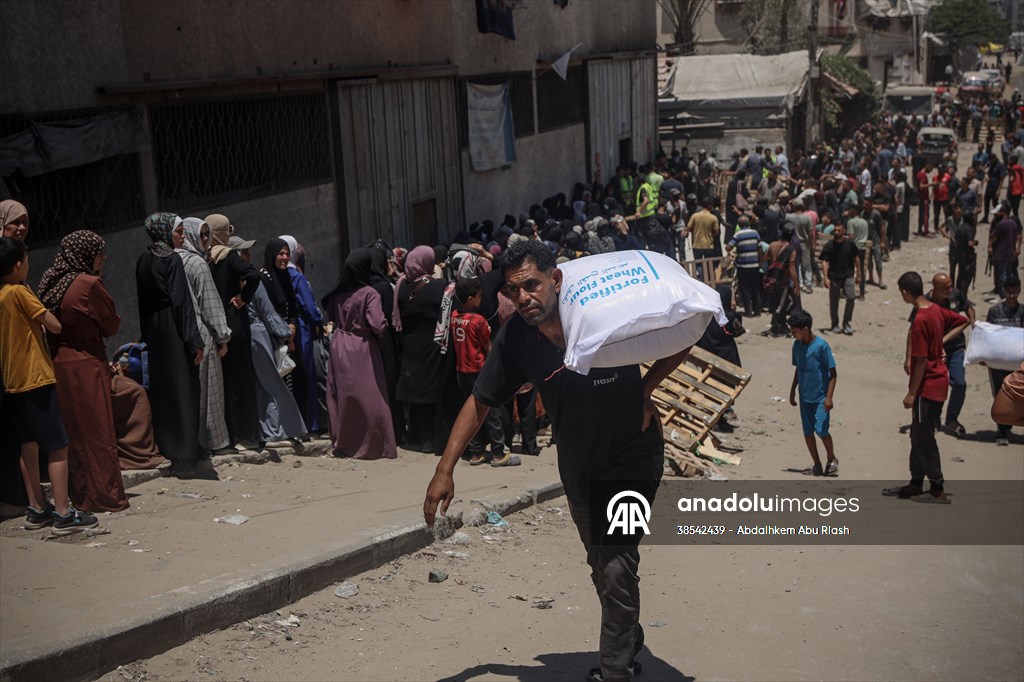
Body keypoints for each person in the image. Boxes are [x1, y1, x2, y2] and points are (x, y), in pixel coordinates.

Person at [424, 240, 692, 682]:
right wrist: (444, 469)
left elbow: (687, 326)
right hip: (580, 465)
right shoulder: (517, 342)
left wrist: (646, 389)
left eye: (532, 284)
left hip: (633, 455)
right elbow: (481, 400)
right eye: (513, 291)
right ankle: (626, 635)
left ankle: (616, 671)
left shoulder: (603, 312)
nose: (524, 297)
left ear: (555, 280)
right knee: (600, 563)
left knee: (616, 562)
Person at [0, 237, 98, 533]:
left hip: (12, 380)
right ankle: (65, 514)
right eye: (27, 260)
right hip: (36, 377)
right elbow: (54, 324)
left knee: (27, 445)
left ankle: (37, 509)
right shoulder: (19, 291)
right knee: (57, 446)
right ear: (18, 265)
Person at [36, 230, 128, 513]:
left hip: (58, 364)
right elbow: (111, 325)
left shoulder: (50, 279)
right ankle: (105, 497)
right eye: (101, 253)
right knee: (98, 431)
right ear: (88, 254)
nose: (104, 258)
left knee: (74, 433)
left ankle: (82, 495)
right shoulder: (89, 284)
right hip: (87, 363)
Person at [888, 271, 968, 504]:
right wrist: (941, 342)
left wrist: (912, 393)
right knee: (918, 433)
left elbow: (921, 360)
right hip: (938, 382)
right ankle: (916, 482)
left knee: (924, 437)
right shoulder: (934, 310)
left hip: (928, 386)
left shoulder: (921, 319)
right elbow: (962, 320)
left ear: (905, 292)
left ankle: (936, 487)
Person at [137, 213, 206, 478]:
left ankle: (168, 446)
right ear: (164, 232)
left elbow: (142, 302)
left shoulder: (144, 259)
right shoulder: (172, 259)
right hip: (174, 331)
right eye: (178, 232)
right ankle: (187, 453)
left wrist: (146, 335)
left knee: (164, 391)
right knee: (184, 389)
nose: (181, 236)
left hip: (155, 332)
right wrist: (194, 341)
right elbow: (182, 303)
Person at [322, 249, 396, 459]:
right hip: (361, 346)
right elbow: (377, 323)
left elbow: (331, 314)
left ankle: (344, 442)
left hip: (339, 343)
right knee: (371, 396)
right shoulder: (369, 293)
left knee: (343, 396)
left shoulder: (338, 293)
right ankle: (375, 445)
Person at [235, 239, 308, 446]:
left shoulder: (233, 279)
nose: (249, 257)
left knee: (261, 385)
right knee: (272, 385)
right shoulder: (254, 280)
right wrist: (286, 334)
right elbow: (268, 313)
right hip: (260, 337)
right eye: (244, 253)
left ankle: (268, 431)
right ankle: (276, 432)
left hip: (247, 337)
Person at [205, 214, 262, 449]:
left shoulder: (206, 258)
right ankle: (246, 435)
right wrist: (243, 297)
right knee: (242, 380)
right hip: (234, 322)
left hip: (215, 322)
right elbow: (254, 275)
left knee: (226, 381)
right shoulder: (228, 256)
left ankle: (230, 433)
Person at [176, 218, 232, 455]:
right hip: (205, 335)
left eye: (208, 235)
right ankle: (213, 442)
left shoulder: (175, 261)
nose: (206, 241)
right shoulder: (197, 264)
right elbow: (210, 304)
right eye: (202, 235)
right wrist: (223, 336)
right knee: (210, 394)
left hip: (184, 335)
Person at [450, 276, 514, 467]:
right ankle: (498, 453)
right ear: (470, 299)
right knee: (490, 413)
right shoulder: (478, 321)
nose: (481, 300)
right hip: (479, 371)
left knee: (470, 413)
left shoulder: (454, 316)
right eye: (479, 296)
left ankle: (476, 453)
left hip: (461, 371)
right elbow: (488, 347)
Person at [395, 245, 448, 454]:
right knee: (431, 392)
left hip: (410, 345)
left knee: (416, 392)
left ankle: (417, 436)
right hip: (431, 345)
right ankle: (431, 441)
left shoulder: (401, 286)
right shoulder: (438, 286)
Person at [908, 274, 975, 438]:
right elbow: (912, 330)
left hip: (956, 348)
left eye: (950, 286)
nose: (949, 290)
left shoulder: (956, 295)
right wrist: (908, 357)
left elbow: (967, 310)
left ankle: (952, 418)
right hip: (933, 352)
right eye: (945, 287)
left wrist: (974, 323)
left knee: (959, 383)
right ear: (934, 289)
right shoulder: (925, 302)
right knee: (937, 385)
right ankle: (934, 420)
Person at [279, 235, 325, 435]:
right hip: (303, 332)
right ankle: (312, 424)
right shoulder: (297, 277)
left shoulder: (275, 274)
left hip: (284, 332)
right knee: (308, 377)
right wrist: (319, 323)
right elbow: (309, 307)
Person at [787, 310, 839, 477]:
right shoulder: (797, 346)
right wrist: (792, 390)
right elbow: (798, 369)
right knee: (808, 432)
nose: (792, 334)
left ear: (806, 329)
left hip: (821, 398)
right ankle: (817, 464)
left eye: (795, 331)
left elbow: (833, 374)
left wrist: (829, 398)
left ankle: (831, 458)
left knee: (821, 430)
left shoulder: (821, 346)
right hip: (804, 397)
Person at [985, 274, 1024, 446]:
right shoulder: (994, 312)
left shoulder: (1023, 312)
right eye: (1009, 292)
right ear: (1004, 291)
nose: (1012, 295)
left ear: (1020, 291)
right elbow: (987, 335)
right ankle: (1002, 431)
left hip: (1018, 364)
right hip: (998, 363)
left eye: (1015, 292)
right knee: (1000, 393)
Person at [819, 222, 860, 334]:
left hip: (848, 275)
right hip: (834, 277)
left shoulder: (850, 245)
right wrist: (825, 277)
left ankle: (846, 322)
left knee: (851, 298)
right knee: (834, 301)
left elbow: (856, 258)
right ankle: (835, 324)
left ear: (844, 232)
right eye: (835, 231)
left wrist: (859, 274)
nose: (836, 233)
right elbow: (825, 262)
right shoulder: (829, 246)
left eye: (838, 231)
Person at [765, 223, 801, 337]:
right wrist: (796, 284)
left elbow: (766, 258)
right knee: (783, 305)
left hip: (772, 280)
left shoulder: (772, 245)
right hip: (783, 282)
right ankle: (778, 326)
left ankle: (779, 324)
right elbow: (791, 268)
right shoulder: (791, 250)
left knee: (777, 302)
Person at [725, 215, 762, 317]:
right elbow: (760, 249)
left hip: (743, 266)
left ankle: (748, 312)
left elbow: (728, 247)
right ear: (748, 224)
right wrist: (760, 262)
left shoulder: (738, 235)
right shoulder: (755, 233)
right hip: (754, 265)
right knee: (755, 288)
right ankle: (757, 311)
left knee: (745, 289)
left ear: (739, 225)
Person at [939, 202, 977, 298]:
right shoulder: (950, 219)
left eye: (960, 208)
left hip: (961, 248)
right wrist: (948, 236)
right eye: (956, 208)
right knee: (952, 268)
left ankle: (958, 290)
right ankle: (951, 289)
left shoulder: (964, 221)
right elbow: (940, 227)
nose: (958, 210)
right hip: (953, 246)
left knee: (961, 269)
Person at [987, 204, 1022, 295]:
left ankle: (1003, 294)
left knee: (1002, 275)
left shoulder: (1001, 224)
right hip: (1010, 253)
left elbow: (993, 236)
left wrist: (991, 245)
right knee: (1009, 274)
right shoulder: (1013, 222)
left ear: (1003, 212)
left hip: (1001, 253)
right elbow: (1017, 235)